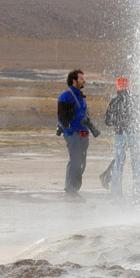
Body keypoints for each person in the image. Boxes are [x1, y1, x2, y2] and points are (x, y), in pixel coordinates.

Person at [103, 77, 140, 203]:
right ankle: (139, 196)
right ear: (129, 87)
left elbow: (107, 121)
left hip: (120, 135)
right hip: (136, 135)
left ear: (118, 88)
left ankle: (115, 197)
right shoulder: (136, 100)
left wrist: (117, 122)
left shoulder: (114, 102)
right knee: (137, 166)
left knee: (118, 167)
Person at [57, 69, 91, 197]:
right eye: (81, 78)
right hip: (74, 134)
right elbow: (61, 117)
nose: (84, 80)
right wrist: (69, 133)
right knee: (75, 161)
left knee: (82, 162)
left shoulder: (81, 96)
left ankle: (75, 188)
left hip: (83, 134)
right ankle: (70, 189)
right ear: (74, 80)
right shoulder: (65, 96)